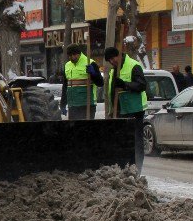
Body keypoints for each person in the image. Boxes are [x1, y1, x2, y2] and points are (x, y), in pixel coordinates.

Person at [104, 47, 148, 175]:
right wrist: (112, 111)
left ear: (119, 55)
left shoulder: (134, 66)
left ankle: (137, 169)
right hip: (121, 110)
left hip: (135, 110)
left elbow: (142, 85)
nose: (112, 62)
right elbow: (112, 92)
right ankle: (124, 168)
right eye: (109, 61)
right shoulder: (114, 71)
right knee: (123, 141)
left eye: (113, 59)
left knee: (136, 141)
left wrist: (125, 84)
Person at [61, 44, 103, 120]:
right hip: (73, 105)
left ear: (79, 53)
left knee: (86, 129)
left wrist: (93, 74)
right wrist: (63, 104)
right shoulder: (67, 65)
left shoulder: (90, 63)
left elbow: (100, 83)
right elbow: (65, 86)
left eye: (74, 55)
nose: (72, 57)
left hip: (87, 104)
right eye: (70, 56)